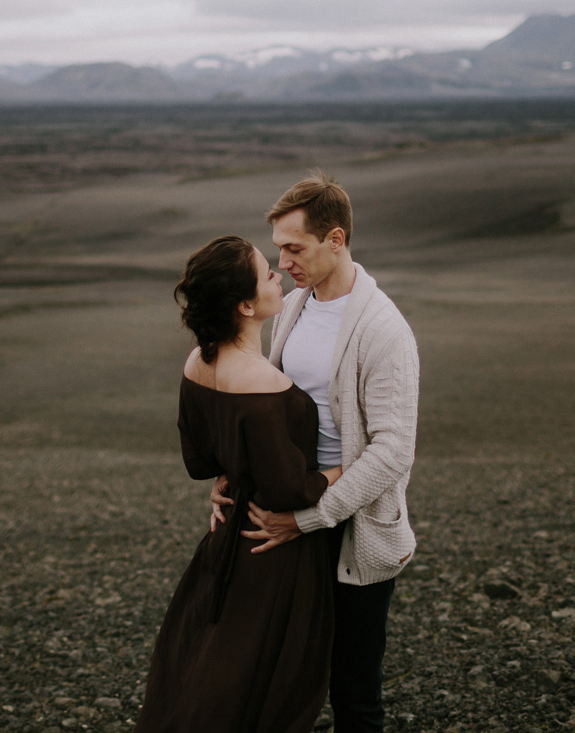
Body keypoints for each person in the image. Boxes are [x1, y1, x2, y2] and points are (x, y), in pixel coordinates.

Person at [214, 170, 420, 733]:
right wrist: (233, 473)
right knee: (279, 674)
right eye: (278, 250)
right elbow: (267, 406)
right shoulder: (295, 308)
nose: (282, 264)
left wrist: (309, 518)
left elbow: (394, 450)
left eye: (294, 248)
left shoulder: (383, 329)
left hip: (346, 525)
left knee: (354, 689)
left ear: (336, 240)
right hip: (287, 512)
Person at [135, 236, 344, 733]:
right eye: (267, 273)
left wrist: (228, 474)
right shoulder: (261, 383)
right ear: (246, 305)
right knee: (259, 687)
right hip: (271, 551)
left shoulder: (196, 363)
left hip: (225, 537)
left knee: (206, 668)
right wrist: (343, 469)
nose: (279, 275)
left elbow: (198, 459)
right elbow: (292, 490)